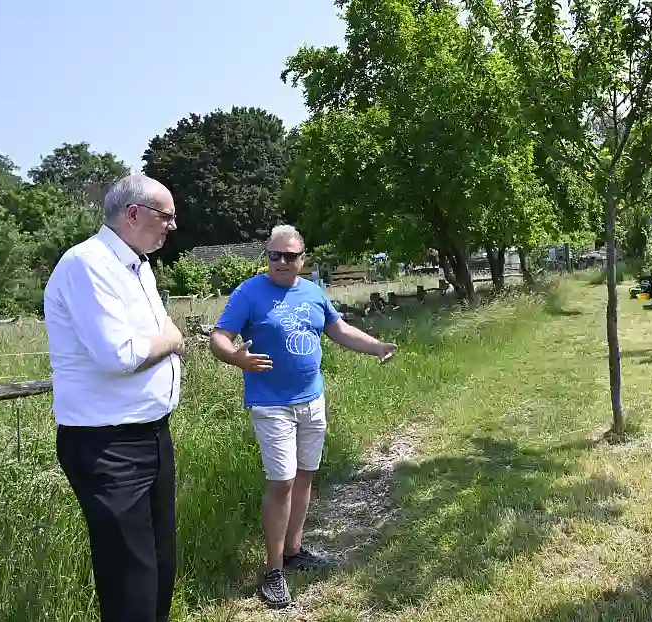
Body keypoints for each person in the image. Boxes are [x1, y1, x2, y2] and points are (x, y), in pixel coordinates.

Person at [209, 224, 398, 609]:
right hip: (271, 404)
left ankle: (294, 549)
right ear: (267, 257)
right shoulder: (249, 293)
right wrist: (234, 356)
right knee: (281, 482)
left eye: (290, 256)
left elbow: (338, 329)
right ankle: (273, 570)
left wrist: (375, 346)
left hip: (312, 400)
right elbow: (219, 337)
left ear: (302, 258)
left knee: (305, 475)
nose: (281, 262)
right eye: (274, 255)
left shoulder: (313, 293)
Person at [44, 174, 183, 622]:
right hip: (108, 445)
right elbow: (119, 354)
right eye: (167, 216)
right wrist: (172, 338)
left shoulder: (136, 265)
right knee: (131, 584)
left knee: (160, 567)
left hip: (151, 435)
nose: (172, 227)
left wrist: (159, 339)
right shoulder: (88, 264)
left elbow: (143, 341)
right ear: (134, 214)